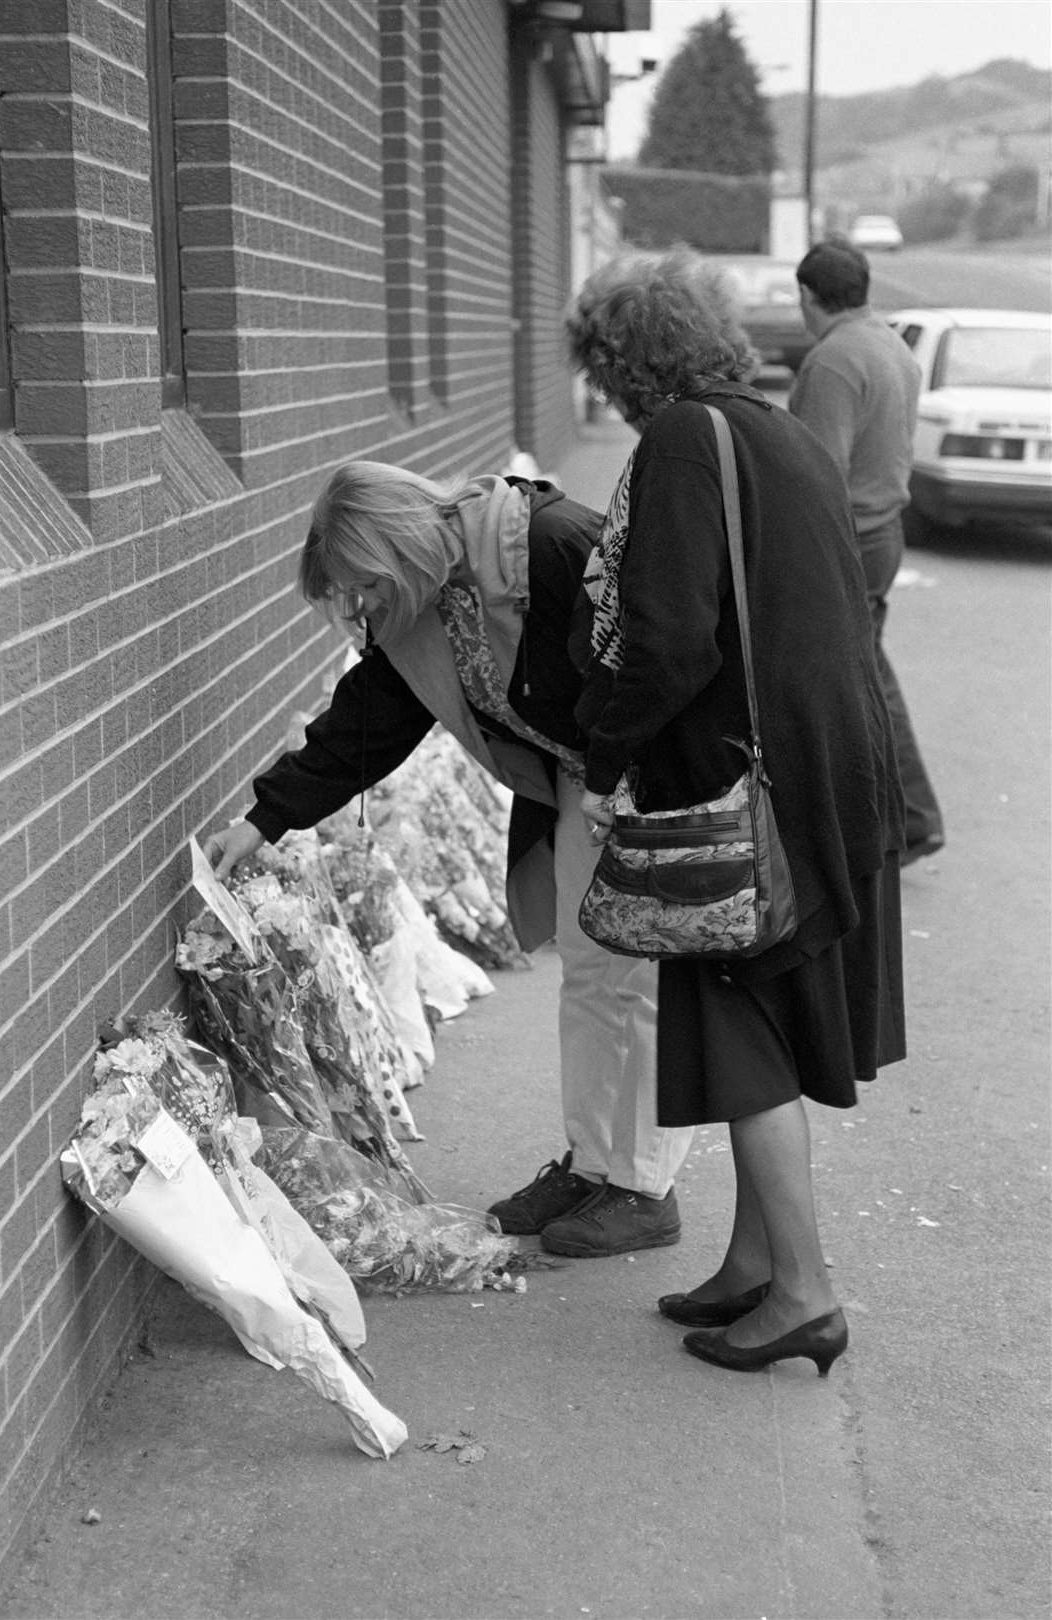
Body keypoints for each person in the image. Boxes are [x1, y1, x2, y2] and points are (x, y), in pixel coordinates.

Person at [202, 460, 694, 1257]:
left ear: (398, 544)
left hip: (642, 778)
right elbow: (370, 723)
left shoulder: (552, 544)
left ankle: (644, 1188)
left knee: (637, 978)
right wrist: (263, 820)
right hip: (583, 779)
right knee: (591, 971)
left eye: (362, 583)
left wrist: (626, 782)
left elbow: (658, 655)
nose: (360, 605)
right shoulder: (425, 603)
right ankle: (597, 1165)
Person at [565, 250, 906, 1376]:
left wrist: (604, 756)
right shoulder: (776, 431)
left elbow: (668, 638)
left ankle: (803, 1293)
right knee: (766, 1008)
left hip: (737, 781)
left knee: (739, 1022)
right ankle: (754, 1267)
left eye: (606, 370)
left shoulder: (678, 442)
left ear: (627, 362)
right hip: (824, 763)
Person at [790, 237, 945, 865]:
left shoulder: (832, 363)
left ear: (806, 295)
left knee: (857, 682)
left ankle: (909, 819)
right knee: (862, 676)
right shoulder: (889, 347)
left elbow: (818, 475)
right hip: (884, 533)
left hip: (848, 542)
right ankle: (896, 819)